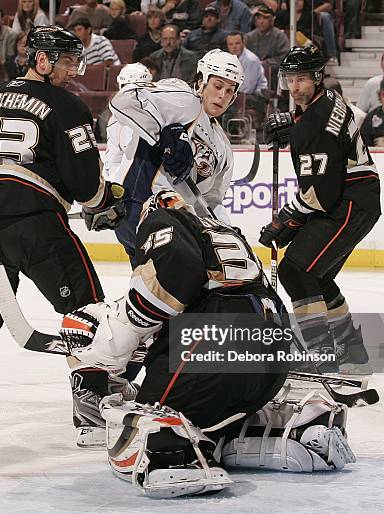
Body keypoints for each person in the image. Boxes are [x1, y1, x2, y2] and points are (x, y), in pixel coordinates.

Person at [59, 190, 355, 496]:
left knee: (142, 417)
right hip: (273, 352)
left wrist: (120, 335)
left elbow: (174, 273)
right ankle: (299, 430)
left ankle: (171, 455)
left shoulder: (164, 219)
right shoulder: (225, 234)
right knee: (213, 423)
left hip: (215, 340)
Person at [0, 26, 126, 439]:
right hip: (36, 227)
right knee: (86, 311)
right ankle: (90, 409)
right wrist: (106, 203)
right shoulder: (66, 106)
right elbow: (87, 185)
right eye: (67, 61)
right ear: (41, 60)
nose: (73, 69)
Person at [260, 44, 380, 374]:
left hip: (350, 203)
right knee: (317, 276)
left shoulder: (318, 122)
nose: (294, 87)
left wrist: (286, 219)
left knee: (295, 270)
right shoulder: (322, 108)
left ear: (316, 78)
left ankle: (321, 355)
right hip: (355, 198)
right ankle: (352, 353)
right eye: (290, 80)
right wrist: (296, 128)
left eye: (301, 80)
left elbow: (320, 195)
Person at [108, 49, 242, 267]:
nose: (222, 95)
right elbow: (123, 101)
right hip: (138, 206)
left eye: (229, 91)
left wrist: (228, 234)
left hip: (175, 223)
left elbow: (211, 201)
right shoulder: (183, 97)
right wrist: (164, 136)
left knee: (158, 294)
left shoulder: (223, 148)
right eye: (218, 86)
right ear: (201, 81)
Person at [244, 5, 289, 87]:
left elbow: (284, 57)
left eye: (265, 18)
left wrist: (266, 63)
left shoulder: (279, 36)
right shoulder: (249, 37)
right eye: (258, 18)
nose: (261, 21)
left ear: (272, 20)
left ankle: (270, 95)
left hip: (272, 70)